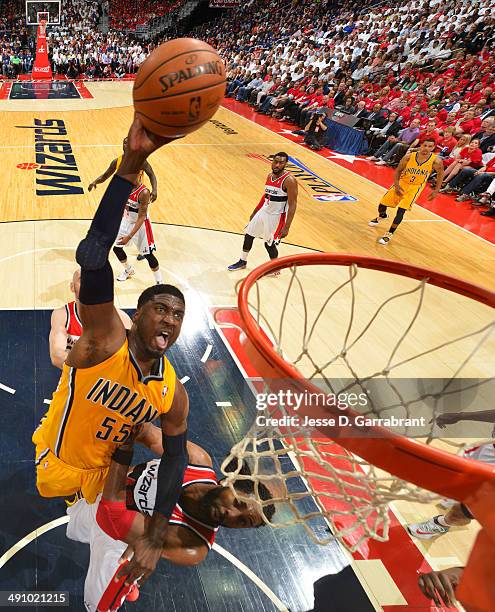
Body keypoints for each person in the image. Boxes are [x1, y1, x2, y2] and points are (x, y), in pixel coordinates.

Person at [33, 116, 188, 585]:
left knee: (189, 459)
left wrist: (158, 530)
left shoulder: (170, 390)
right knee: (63, 502)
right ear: (134, 315)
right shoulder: (104, 341)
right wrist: (130, 167)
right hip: (58, 463)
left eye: (177, 315)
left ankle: (103, 567)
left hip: (106, 476)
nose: (169, 320)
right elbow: (92, 255)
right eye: (160, 309)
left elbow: (177, 456)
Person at [66, 425, 275, 611]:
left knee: (97, 606)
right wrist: (126, 427)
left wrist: (123, 448)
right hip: (110, 488)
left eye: (242, 521)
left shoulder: (193, 546)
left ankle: (127, 585)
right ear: (229, 482)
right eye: (238, 502)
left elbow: (112, 517)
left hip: (117, 541)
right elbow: (149, 434)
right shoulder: (197, 461)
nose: (231, 514)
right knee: (74, 526)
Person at [407, 408, 495, 539]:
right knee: (458, 472)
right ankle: (460, 495)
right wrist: (460, 415)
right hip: (489, 447)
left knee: (462, 511)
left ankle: (440, 524)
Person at [228, 152, 298, 272]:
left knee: (269, 244)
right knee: (248, 235)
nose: (277, 165)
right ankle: (242, 261)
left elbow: (293, 205)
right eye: (275, 161)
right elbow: (266, 195)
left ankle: (276, 268)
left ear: (286, 164)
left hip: (276, 216)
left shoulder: (289, 181)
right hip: (264, 211)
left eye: (281, 162)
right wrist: (255, 211)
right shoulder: (269, 176)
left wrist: (287, 227)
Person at [49, 269, 132, 369]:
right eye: (82, 279)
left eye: (92, 280)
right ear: (72, 287)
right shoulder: (62, 315)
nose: (87, 284)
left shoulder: (121, 318)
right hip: (75, 375)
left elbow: (129, 358)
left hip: (106, 379)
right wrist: (88, 373)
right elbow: (57, 355)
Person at [368, 139, 444, 244]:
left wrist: (436, 191)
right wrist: (397, 185)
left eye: (430, 146)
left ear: (433, 148)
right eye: (425, 145)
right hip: (402, 182)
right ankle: (383, 215)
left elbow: (440, 175)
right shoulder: (409, 157)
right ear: (421, 145)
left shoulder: (436, 161)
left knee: (401, 211)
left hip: (415, 187)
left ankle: (389, 234)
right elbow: (398, 170)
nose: (426, 148)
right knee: (382, 204)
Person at [112, 176, 163, 284]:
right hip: (127, 221)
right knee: (117, 248)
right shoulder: (125, 187)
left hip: (141, 224)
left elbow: (141, 217)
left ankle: (159, 282)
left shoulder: (144, 192)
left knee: (148, 255)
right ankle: (128, 270)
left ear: (139, 175)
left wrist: (129, 236)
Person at [88, 137, 158, 203]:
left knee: (139, 214)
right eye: (125, 143)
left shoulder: (141, 161)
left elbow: (151, 175)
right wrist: (94, 182)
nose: (126, 145)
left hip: (136, 193)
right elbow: (105, 176)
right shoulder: (116, 161)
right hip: (121, 193)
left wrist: (154, 190)